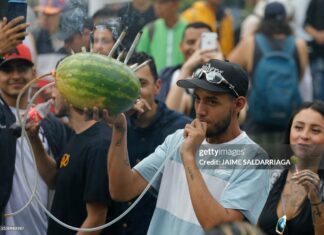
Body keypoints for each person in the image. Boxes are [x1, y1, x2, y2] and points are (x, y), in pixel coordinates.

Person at [105, 59, 270, 235]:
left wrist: (189, 158)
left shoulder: (253, 158)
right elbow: (122, 190)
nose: (200, 110)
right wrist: (120, 127)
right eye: (197, 98)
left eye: (212, 101)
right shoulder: (177, 139)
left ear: (238, 104)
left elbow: (218, 228)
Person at [26, 64, 122, 234]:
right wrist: (34, 140)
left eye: (56, 86)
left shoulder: (98, 145)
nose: (51, 93)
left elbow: (96, 219)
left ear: (73, 92)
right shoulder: (78, 136)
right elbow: (54, 179)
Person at [117, 52, 191, 235]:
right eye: (127, 84)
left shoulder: (180, 130)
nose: (134, 92)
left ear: (158, 86)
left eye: (141, 84)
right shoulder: (113, 128)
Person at [0, 44, 70, 234]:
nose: (15, 76)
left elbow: (57, 180)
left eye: (21, 69)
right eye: (6, 69)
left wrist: (34, 138)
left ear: (34, 72)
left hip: (42, 227)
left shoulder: (51, 124)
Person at [228, 1, 309, 146]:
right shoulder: (299, 44)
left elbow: (228, 69)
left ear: (263, 20)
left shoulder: (251, 42)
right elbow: (300, 77)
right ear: (286, 19)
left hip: (258, 116)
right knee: (286, 163)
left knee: (257, 163)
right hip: (290, 117)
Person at [258, 100, 324, 235]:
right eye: (298, 128)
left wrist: (316, 200)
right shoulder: (271, 174)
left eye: (315, 130)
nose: (304, 136)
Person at [160, 22, 223, 115]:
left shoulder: (223, 74)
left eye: (202, 44)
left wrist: (221, 67)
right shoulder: (166, 75)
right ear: (181, 46)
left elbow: (239, 116)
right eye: (191, 42)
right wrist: (186, 68)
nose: (196, 48)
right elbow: (167, 116)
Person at [136, 0, 187, 73]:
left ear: (176, 4)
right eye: (155, 2)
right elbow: (140, 60)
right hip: (158, 82)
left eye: (162, 2)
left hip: (182, 80)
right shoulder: (150, 30)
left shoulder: (188, 29)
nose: (157, 6)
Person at [304, 0, 324, 101]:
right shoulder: (315, 2)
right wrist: (317, 35)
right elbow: (306, 25)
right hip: (317, 54)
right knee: (316, 94)